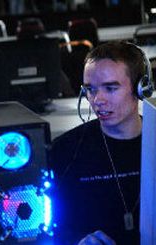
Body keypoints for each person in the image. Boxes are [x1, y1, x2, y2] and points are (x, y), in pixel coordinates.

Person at [50, 41, 154, 244]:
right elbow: (50, 227)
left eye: (110, 88)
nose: (97, 99)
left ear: (141, 89)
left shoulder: (153, 140)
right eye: (90, 89)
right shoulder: (65, 150)